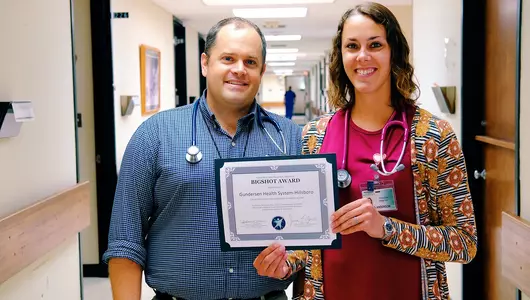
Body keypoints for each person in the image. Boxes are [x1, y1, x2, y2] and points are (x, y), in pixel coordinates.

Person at [255, 2, 478, 300]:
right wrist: (284, 263)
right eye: (352, 46)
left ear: (394, 53)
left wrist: (386, 228)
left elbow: (464, 243)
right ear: (341, 56)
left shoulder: (432, 136)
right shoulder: (314, 136)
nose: (363, 56)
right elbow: (307, 236)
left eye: (375, 44)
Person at [102, 17, 303, 300]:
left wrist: (288, 262)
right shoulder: (155, 135)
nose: (239, 70)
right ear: (205, 63)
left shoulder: (289, 138)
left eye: (250, 62)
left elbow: (309, 236)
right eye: (228, 58)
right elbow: (125, 240)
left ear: (262, 71)